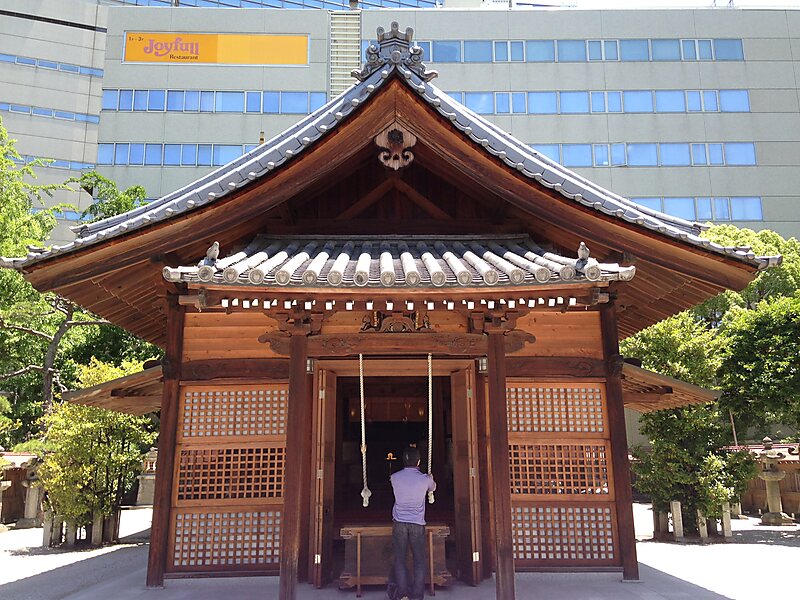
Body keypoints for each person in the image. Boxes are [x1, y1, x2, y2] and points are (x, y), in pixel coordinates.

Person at [389, 446, 436, 600]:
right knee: (419, 561)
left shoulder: (394, 477)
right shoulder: (425, 479)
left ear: (403, 460)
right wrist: (430, 477)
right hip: (417, 523)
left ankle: (402, 594)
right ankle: (417, 596)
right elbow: (433, 487)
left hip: (400, 523)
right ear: (419, 461)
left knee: (400, 559)